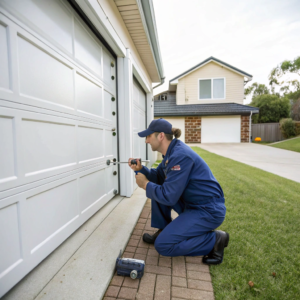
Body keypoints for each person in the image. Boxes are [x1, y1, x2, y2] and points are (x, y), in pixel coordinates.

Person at [128, 118, 229, 264]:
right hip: (192, 204)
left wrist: (145, 184)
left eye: (149, 136)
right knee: (158, 184)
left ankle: (215, 240)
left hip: (208, 210)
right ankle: (164, 229)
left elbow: (168, 197)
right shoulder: (171, 153)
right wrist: (141, 169)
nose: (146, 141)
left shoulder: (180, 156)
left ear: (161, 136)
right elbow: (158, 176)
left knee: (163, 246)